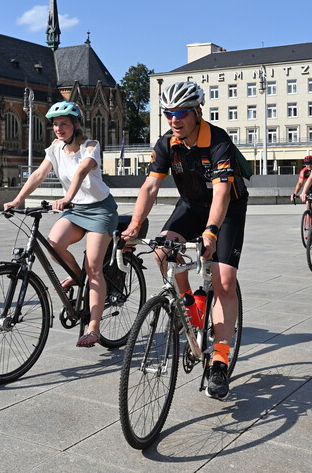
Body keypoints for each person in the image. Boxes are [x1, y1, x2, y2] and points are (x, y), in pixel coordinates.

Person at [121, 81, 247, 400]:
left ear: (197, 112)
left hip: (227, 208)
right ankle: (189, 305)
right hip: (191, 205)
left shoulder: (218, 141)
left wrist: (211, 232)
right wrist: (135, 225)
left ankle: (219, 359)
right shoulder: (167, 144)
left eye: (180, 113)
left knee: (225, 282)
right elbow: (150, 188)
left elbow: (221, 192)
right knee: (162, 253)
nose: (174, 120)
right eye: (168, 114)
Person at [3, 101, 118, 348]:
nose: (58, 128)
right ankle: (78, 278)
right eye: (55, 124)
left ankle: (94, 328)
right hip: (76, 210)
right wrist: (18, 199)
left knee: (94, 266)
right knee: (54, 244)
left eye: (64, 123)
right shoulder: (55, 148)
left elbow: (80, 173)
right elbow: (37, 175)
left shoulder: (91, 146)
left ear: (76, 125)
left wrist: (66, 198)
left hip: (100, 210)